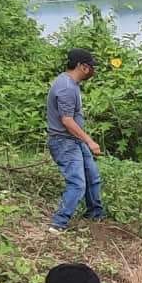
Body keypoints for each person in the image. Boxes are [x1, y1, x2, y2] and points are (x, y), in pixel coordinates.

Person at [46, 47, 104, 235]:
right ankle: (58, 224)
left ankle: (95, 214)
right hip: (64, 142)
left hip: (73, 140)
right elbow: (67, 120)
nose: (92, 71)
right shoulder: (66, 88)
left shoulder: (70, 84)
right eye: (91, 67)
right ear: (81, 66)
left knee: (92, 176)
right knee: (77, 183)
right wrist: (90, 141)